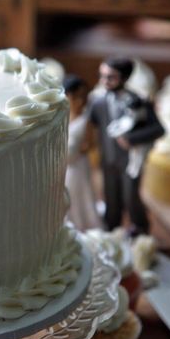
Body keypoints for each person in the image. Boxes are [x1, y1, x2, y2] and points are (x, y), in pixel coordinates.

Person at [87, 57, 164, 235]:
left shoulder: (138, 101)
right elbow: (87, 123)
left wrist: (131, 138)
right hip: (108, 159)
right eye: (102, 76)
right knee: (110, 196)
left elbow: (158, 129)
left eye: (110, 77)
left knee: (130, 197)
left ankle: (141, 228)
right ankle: (111, 230)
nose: (104, 81)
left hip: (130, 162)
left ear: (124, 78)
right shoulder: (98, 101)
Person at [64, 75, 102, 231]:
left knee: (80, 194)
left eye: (82, 97)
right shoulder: (62, 117)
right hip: (64, 164)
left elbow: (91, 143)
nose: (79, 101)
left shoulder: (86, 120)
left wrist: (78, 151)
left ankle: (83, 225)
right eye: (75, 97)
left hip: (78, 164)